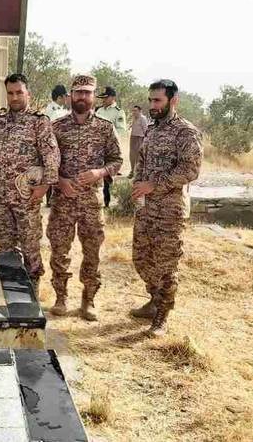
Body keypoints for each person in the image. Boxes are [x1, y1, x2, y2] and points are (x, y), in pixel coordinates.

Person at [47, 75, 122, 321]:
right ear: (71, 95)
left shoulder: (105, 127)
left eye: (87, 92)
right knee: (60, 251)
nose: (82, 97)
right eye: (78, 92)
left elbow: (117, 160)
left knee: (92, 252)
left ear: (93, 96)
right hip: (63, 201)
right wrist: (60, 181)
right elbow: (46, 162)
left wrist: (99, 172)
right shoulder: (56, 127)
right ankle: (61, 297)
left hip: (92, 202)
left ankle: (88, 300)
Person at [130, 79, 202, 336]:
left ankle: (162, 315)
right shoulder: (152, 129)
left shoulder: (186, 132)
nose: (153, 105)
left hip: (170, 211)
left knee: (166, 264)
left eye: (158, 100)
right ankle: (153, 300)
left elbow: (190, 170)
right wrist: (138, 185)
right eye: (150, 100)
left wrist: (154, 184)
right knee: (141, 258)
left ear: (173, 101)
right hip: (146, 209)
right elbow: (142, 161)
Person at [0, 73, 60, 289]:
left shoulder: (39, 122)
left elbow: (51, 156)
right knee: (6, 249)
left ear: (28, 94)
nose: (15, 97)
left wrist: (44, 186)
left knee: (30, 246)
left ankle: (33, 290)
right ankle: (10, 289)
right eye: (10, 93)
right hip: (3, 198)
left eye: (19, 92)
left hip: (28, 198)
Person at [95, 86, 126, 207]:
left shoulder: (118, 112)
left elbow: (121, 130)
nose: (103, 100)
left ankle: (107, 202)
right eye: (102, 98)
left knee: (107, 174)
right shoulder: (98, 110)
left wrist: (110, 138)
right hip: (96, 146)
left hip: (109, 147)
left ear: (113, 97)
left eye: (106, 97)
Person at [128, 105, 149, 178]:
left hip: (140, 138)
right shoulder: (134, 118)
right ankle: (132, 171)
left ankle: (138, 173)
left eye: (135, 111)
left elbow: (146, 130)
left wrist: (145, 141)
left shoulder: (143, 119)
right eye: (133, 111)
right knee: (132, 155)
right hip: (133, 137)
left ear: (140, 111)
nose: (134, 112)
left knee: (138, 156)